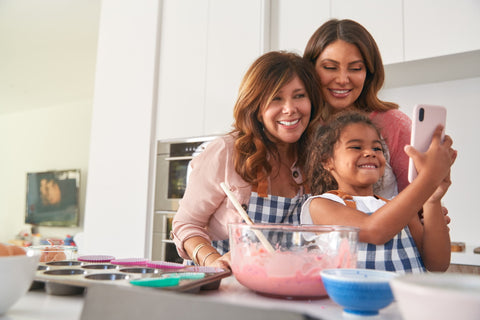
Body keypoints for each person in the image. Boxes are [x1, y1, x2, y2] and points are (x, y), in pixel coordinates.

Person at [171, 51, 323, 269]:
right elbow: (186, 224)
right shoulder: (226, 151)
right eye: (276, 98)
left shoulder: (316, 157)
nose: (290, 109)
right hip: (228, 287)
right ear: (257, 107)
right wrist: (213, 261)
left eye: (299, 96)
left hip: (289, 287)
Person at [301, 111, 457, 273]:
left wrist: (432, 199)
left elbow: (437, 264)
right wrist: (429, 178)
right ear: (327, 161)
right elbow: (375, 230)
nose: (370, 153)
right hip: (358, 298)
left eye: (377, 148)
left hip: (406, 298)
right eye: (356, 147)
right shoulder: (322, 205)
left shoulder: (397, 207)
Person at [303, 18, 410, 199]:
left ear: (368, 73)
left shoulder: (394, 124)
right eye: (330, 67)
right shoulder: (302, 126)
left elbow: (420, 204)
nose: (343, 79)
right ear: (310, 69)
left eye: (355, 68)